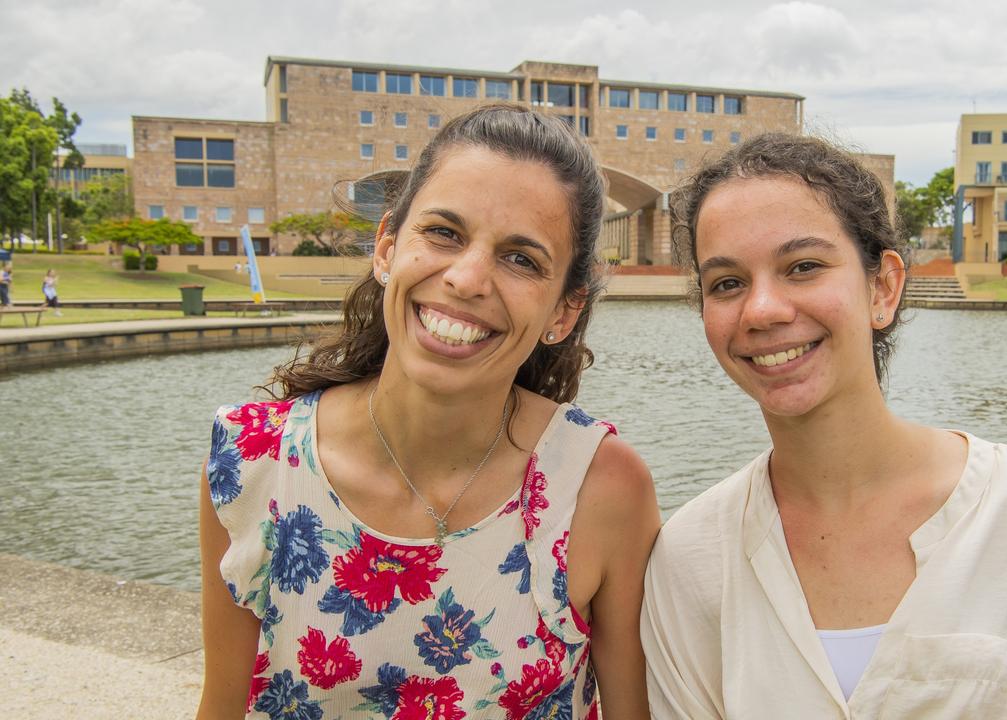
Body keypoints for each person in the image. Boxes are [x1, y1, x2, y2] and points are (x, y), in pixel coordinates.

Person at [640, 134, 1007, 719]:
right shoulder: (690, 559)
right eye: (727, 283)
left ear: (882, 287)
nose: (762, 310)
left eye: (803, 267)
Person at [198, 105, 660, 719]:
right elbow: (222, 707)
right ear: (387, 247)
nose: (468, 279)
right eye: (444, 233)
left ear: (564, 311)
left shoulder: (600, 487)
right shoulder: (252, 462)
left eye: (521, 258)